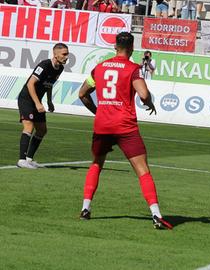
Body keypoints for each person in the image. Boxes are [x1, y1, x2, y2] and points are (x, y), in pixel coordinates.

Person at [77, 32, 173, 230]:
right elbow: (144, 94)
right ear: (131, 48)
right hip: (124, 125)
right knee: (142, 170)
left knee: (97, 163)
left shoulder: (100, 68)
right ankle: (156, 214)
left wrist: (98, 112)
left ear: (115, 46)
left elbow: (82, 94)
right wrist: (150, 103)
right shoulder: (132, 69)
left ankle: (85, 208)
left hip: (103, 124)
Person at [16, 43, 69, 169]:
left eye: (67, 54)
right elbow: (30, 84)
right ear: (55, 54)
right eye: (64, 54)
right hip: (27, 99)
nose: (66, 57)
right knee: (29, 126)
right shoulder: (44, 65)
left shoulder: (60, 68)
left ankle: (29, 159)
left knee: (42, 130)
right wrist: (38, 103)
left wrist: (49, 101)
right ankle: (21, 160)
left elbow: (49, 85)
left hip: (37, 100)